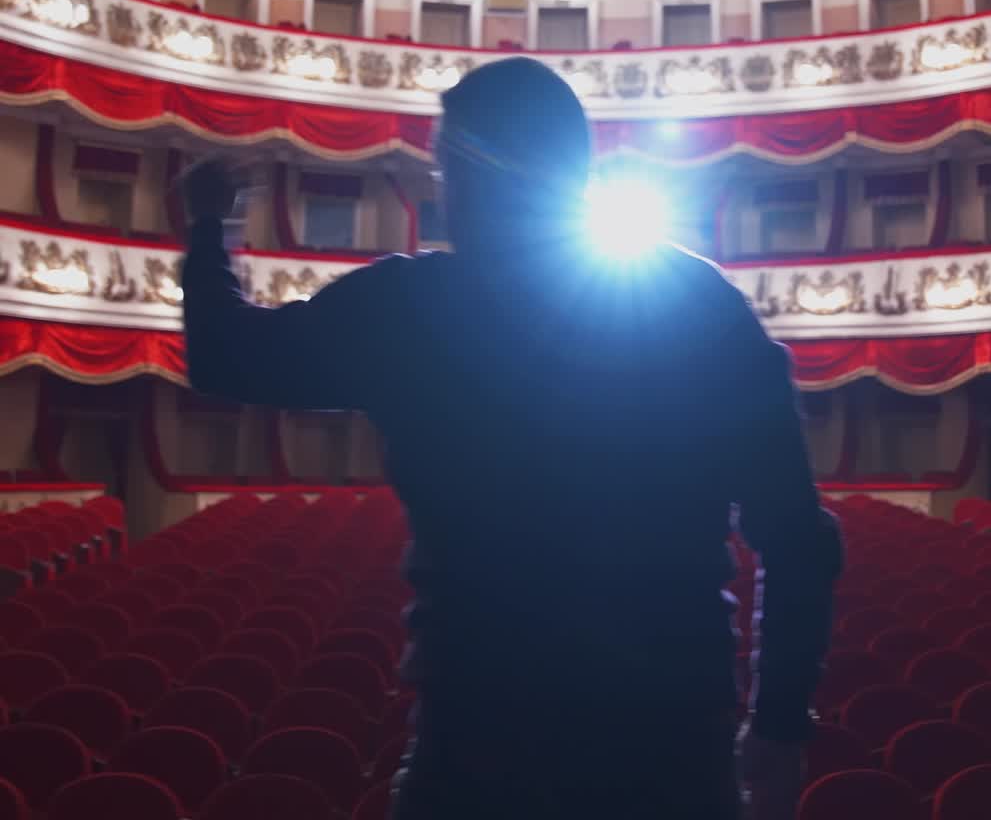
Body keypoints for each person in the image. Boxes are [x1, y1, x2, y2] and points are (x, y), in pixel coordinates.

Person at [182, 56, 840, 820]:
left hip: (481, 749)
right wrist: (781, 725)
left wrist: (208, 225)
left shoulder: (413, 312)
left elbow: (225, 355)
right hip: (671, 749)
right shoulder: (700, 306)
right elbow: (797, 539)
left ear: (462, 171)